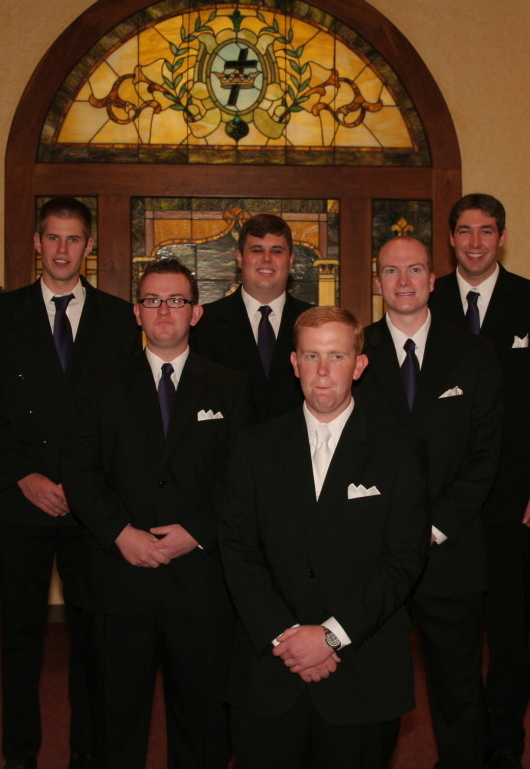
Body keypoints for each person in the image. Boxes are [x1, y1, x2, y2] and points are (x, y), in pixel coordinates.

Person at [0, 197, 140, 769]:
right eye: (53, 238)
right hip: (21, 503)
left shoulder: (118, 318)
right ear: (38, 243)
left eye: (74, 239)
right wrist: (25, 476)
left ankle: (86, 754)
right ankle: (19, 756)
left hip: (91, 511)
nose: (63, 249)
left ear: (88, 247)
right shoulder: (0, 313)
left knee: (92, 643)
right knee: (21, 640)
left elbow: (120, 418)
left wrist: (82, 488)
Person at [61, 258, 251, 769]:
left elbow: (243, 477)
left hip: (202, 580)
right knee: (114, 722)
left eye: (176, 301)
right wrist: (121, 533)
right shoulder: (98, 383)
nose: (164, 310)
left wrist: (197, 532)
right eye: (152, 300)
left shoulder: (231, 386)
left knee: (205, 725)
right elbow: (78, 470)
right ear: (137, 312)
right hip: (117, 577)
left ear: (196, 313)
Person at [220, 306, 429, 769]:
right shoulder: (254, 447)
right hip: (271, 667)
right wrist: (287, 636)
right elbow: (237, 550)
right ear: (294, 363)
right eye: (311, 356)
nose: (322, 371)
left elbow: (403, 559)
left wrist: (331, 636)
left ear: (359, 365)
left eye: (337, 356)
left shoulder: (399, 451)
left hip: (362, 671)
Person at [430, 194, 530, 769]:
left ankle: (506, 740)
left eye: (486, 231)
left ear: (502, 237)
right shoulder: (427, 298)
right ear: (451, 239)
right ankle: (461, 746)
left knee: (509, 629)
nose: (475, 243)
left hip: (515, 497)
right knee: (452, 633)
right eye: (465, 231)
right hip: (445, 501)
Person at [355, 236, 503, 769]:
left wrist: (434, 528)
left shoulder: (474, 353)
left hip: (450, 551)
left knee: (458, 687)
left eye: (415, 269)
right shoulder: (354, 352)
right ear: (378, 282)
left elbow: (484, 456)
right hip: (372, 555)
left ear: (432, 280)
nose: (404, 281)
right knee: (371, 687)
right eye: (392, 271)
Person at [191, 213, 309, 421]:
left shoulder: (314, 322)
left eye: (277, 251)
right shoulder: (203, 324)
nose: (267, 258)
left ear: (290, 260)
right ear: (239, 257)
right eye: (257, 250)